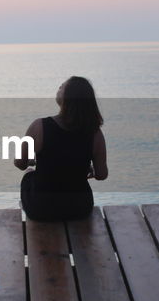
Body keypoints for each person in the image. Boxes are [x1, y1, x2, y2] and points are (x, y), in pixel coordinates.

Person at [15, 76, 107, 221]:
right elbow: (102, 175)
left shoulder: (39, 126)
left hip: (42, 210)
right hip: (80, 209)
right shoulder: (95, 133)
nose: (58, 88)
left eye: (62, 86)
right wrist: (83, 168)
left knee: (28, 173)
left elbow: (20, 163)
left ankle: (26, 205)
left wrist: (33, 162)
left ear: (68, 97)